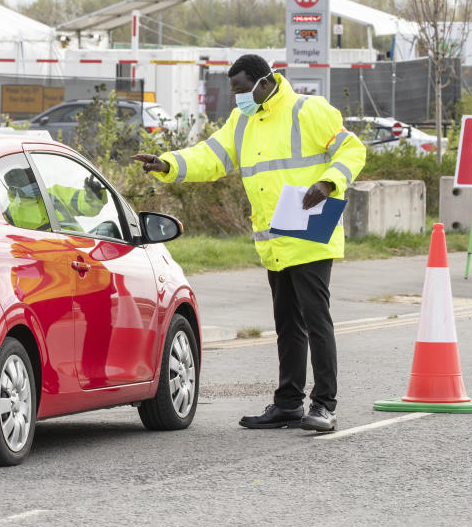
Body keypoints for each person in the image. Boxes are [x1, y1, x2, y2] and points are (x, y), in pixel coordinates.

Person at [131, 54, 366, 432]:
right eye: (234, 91)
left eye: (242, 89)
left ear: (265, 81)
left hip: (309, 232)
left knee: (315, 320)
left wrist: (328, 183)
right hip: (274, 239)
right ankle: (289, 404)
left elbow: (352, 149)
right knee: (287, 325)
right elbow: (212, 156)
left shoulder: (309, 109)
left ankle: (324, 405)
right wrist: (168, 164)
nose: (237, 97)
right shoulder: (242, 121)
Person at [2, 167, 106, 231]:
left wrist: (92, 194)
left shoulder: (54, 194)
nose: (34, 185)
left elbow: (88, 208)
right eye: (26, 184)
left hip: (78, 253)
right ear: (14, 190)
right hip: (45, 263)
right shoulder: (10, 215)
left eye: (34, 181)